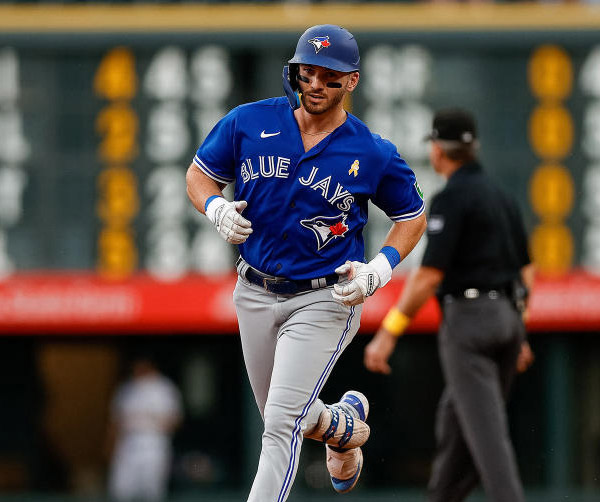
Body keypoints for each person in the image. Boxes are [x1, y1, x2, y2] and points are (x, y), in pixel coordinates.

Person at [186, 24, 427, 501]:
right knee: (287, 412)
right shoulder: (248, 121)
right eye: (307, 72)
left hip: (325, 296)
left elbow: (412, 216)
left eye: (330, 76)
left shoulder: (371, 151)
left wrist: (380, 268)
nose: (316, 84)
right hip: (254, 289)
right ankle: (343, 427)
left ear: (351, 81)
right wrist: (213, 207)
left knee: (279, 426)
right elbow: (199, 175)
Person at [364, 108, 535, 502]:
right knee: (458, 428)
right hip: (508, 318)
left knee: (488, 442)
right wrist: (519, 328)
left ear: (439, 150)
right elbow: (527, 271)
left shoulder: (451, 198)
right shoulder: (502, 197)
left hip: (469, 325)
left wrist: (388, 334)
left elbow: (428, 277)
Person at [107, 356, 183, 502]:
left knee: (152, 493)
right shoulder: (126, 389)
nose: (137, 370)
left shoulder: (164, 388)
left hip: (153, 446)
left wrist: (151, 421)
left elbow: (176, 420)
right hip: (127, 447)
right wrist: (110, 447)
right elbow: (114, 422)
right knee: (120, 490)